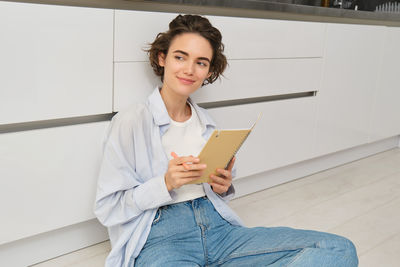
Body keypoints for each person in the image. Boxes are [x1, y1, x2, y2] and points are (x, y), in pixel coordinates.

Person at [94, 14, 358, 267]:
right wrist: (165, 183)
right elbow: (108, 208)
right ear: (162, 58)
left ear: (209, 70)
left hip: (219, 230)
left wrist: (222, 186)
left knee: (337, 249)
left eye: (201, 62)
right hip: (161, 238)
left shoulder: (207, 123)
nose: (189, 69)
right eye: (180, 57)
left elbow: (217, 190)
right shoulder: (131, 121)